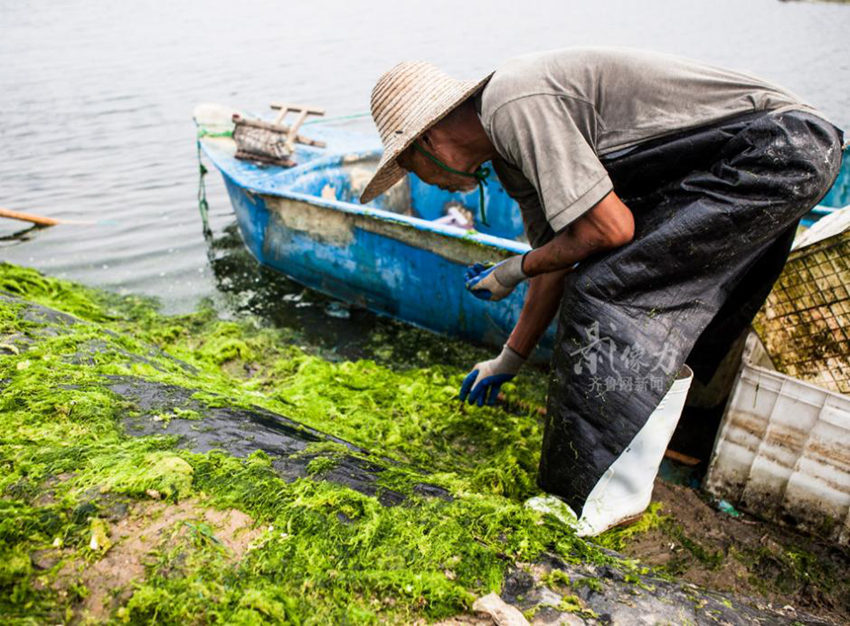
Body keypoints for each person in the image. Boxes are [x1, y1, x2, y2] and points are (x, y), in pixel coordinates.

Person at [358, 48, 844, 535]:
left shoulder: (511, 104)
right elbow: (559, 253)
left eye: (412, 169)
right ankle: (644, 471)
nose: (427, 183)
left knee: (605, 291)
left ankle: (588, 502)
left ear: (427, 143)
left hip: (778, 147)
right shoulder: (508, 157)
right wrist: (510, 358)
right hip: (763, 155)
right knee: (653, 303)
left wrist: (511, 270)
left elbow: (609, 229)